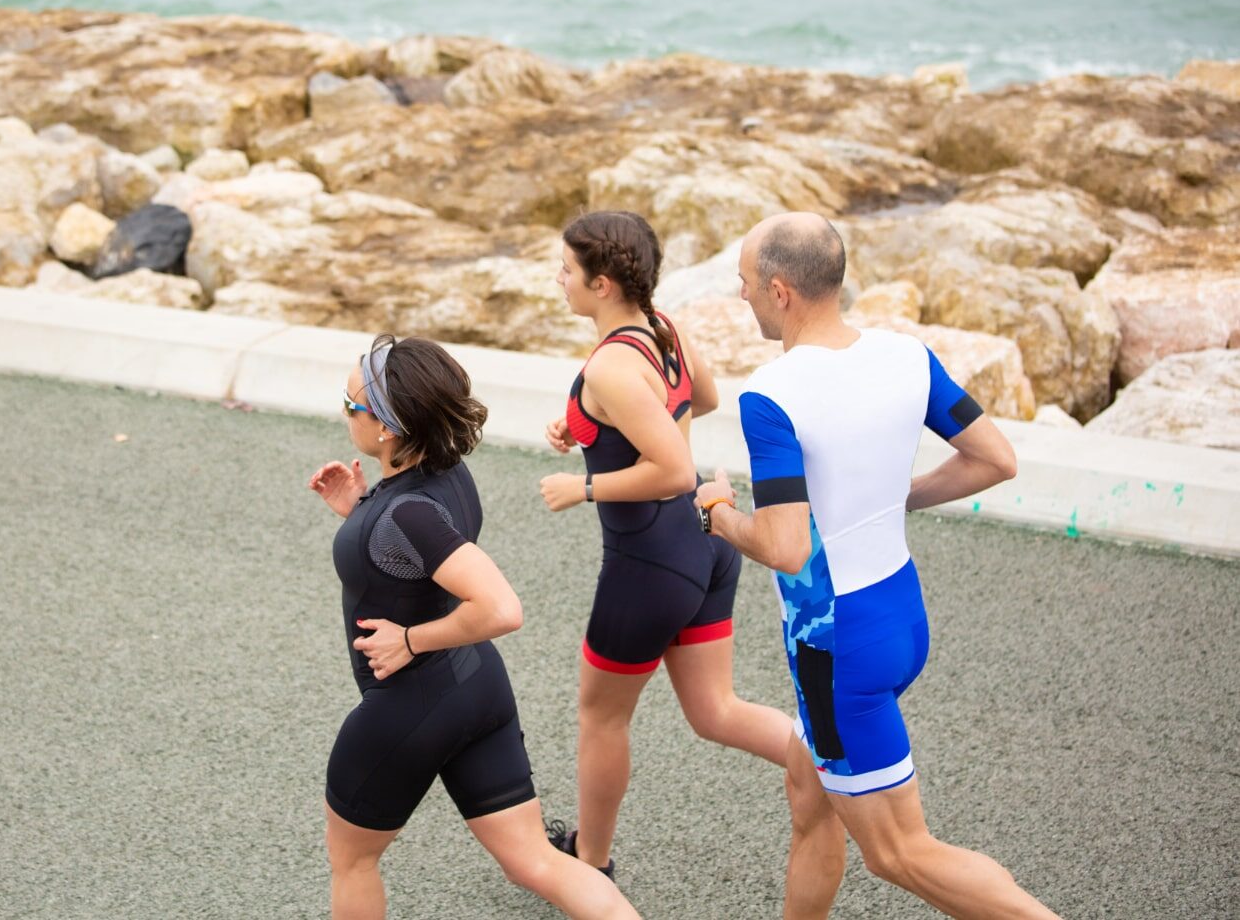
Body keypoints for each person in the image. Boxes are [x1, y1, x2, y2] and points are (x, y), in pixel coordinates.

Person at [698, 212, 1060, 919]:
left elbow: (787, 547)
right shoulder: (906, 355)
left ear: (779, 292)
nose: (740, 297)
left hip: (838, 652)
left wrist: (715, 512)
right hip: (898, 615)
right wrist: (896, 498)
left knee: (899, 853)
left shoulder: (772, 396)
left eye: (743, 284)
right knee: (811, 800)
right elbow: (996, 459)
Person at [308, 334, 638, 920]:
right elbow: (415, 558)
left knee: (353, 861)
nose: (344, 411)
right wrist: (361, 509)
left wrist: (410, 640)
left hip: (409, 706)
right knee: (534, 861)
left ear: (387, 428)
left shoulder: (405, 514)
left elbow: (502, 607)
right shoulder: (445, 472)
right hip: (474, 689)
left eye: (351, 403)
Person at [539, 210, 793, 878]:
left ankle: (590, 864)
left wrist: (584, 488)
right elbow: (700, 398)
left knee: (600, 718)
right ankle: (826, 763)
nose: (557, 278)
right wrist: (592, 431)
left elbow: (673, 470)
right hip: (706, 545)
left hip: (648, 565)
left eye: (566, 268)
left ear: (600, 284)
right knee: (716, 711)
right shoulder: (663, 328)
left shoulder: (610, 370)